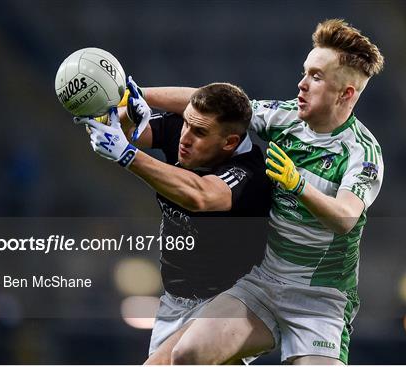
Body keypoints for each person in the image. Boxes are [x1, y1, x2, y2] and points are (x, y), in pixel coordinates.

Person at [141, 18, 385, 364]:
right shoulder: (284, 117)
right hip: (264, 283)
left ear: (346, 94)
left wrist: (297, 186)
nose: (301, 84)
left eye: (316, 77)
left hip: (320, 300)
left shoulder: (362, 152)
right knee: (186, 354)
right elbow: (211, 105)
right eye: (305, 72)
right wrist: (135, 95)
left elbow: (345, 217)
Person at [74, 81, 271, 363]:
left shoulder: (250, 173)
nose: (185, 137)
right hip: (173, 302)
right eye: (186, 124)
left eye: (199, 132)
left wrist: (127, 155)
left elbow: (200, 195)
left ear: (230, 143)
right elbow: (119, 130)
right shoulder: (188, 133)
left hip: (228, 303)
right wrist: (131, 103)